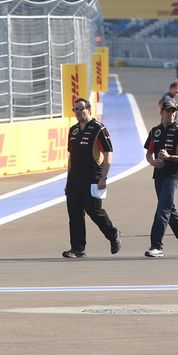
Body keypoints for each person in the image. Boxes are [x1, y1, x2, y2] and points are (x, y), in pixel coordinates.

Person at [63, 98, 121, 258]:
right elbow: (70, 156)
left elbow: (108, 153)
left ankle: (113, 234)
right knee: (74, 213)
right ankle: (78, 248)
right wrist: (68, 180)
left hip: (93, 175)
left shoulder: (99, 129)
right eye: (75, 109)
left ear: (89, 109)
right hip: (75, 177)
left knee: (94, 210)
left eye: (81, 108)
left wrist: (104, 176)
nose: (78, 112)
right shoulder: (73, 130)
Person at [143, 101, 178, 257]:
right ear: (161, 113)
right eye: (168, 111)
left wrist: (171, 157)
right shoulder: (155, 131)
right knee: (168, 208)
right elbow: (148, 153)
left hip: (173, 175)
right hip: (158, 175)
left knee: (162, 210)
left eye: (173, 111)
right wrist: (153, 162)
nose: (171, 114)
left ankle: (156, 246)